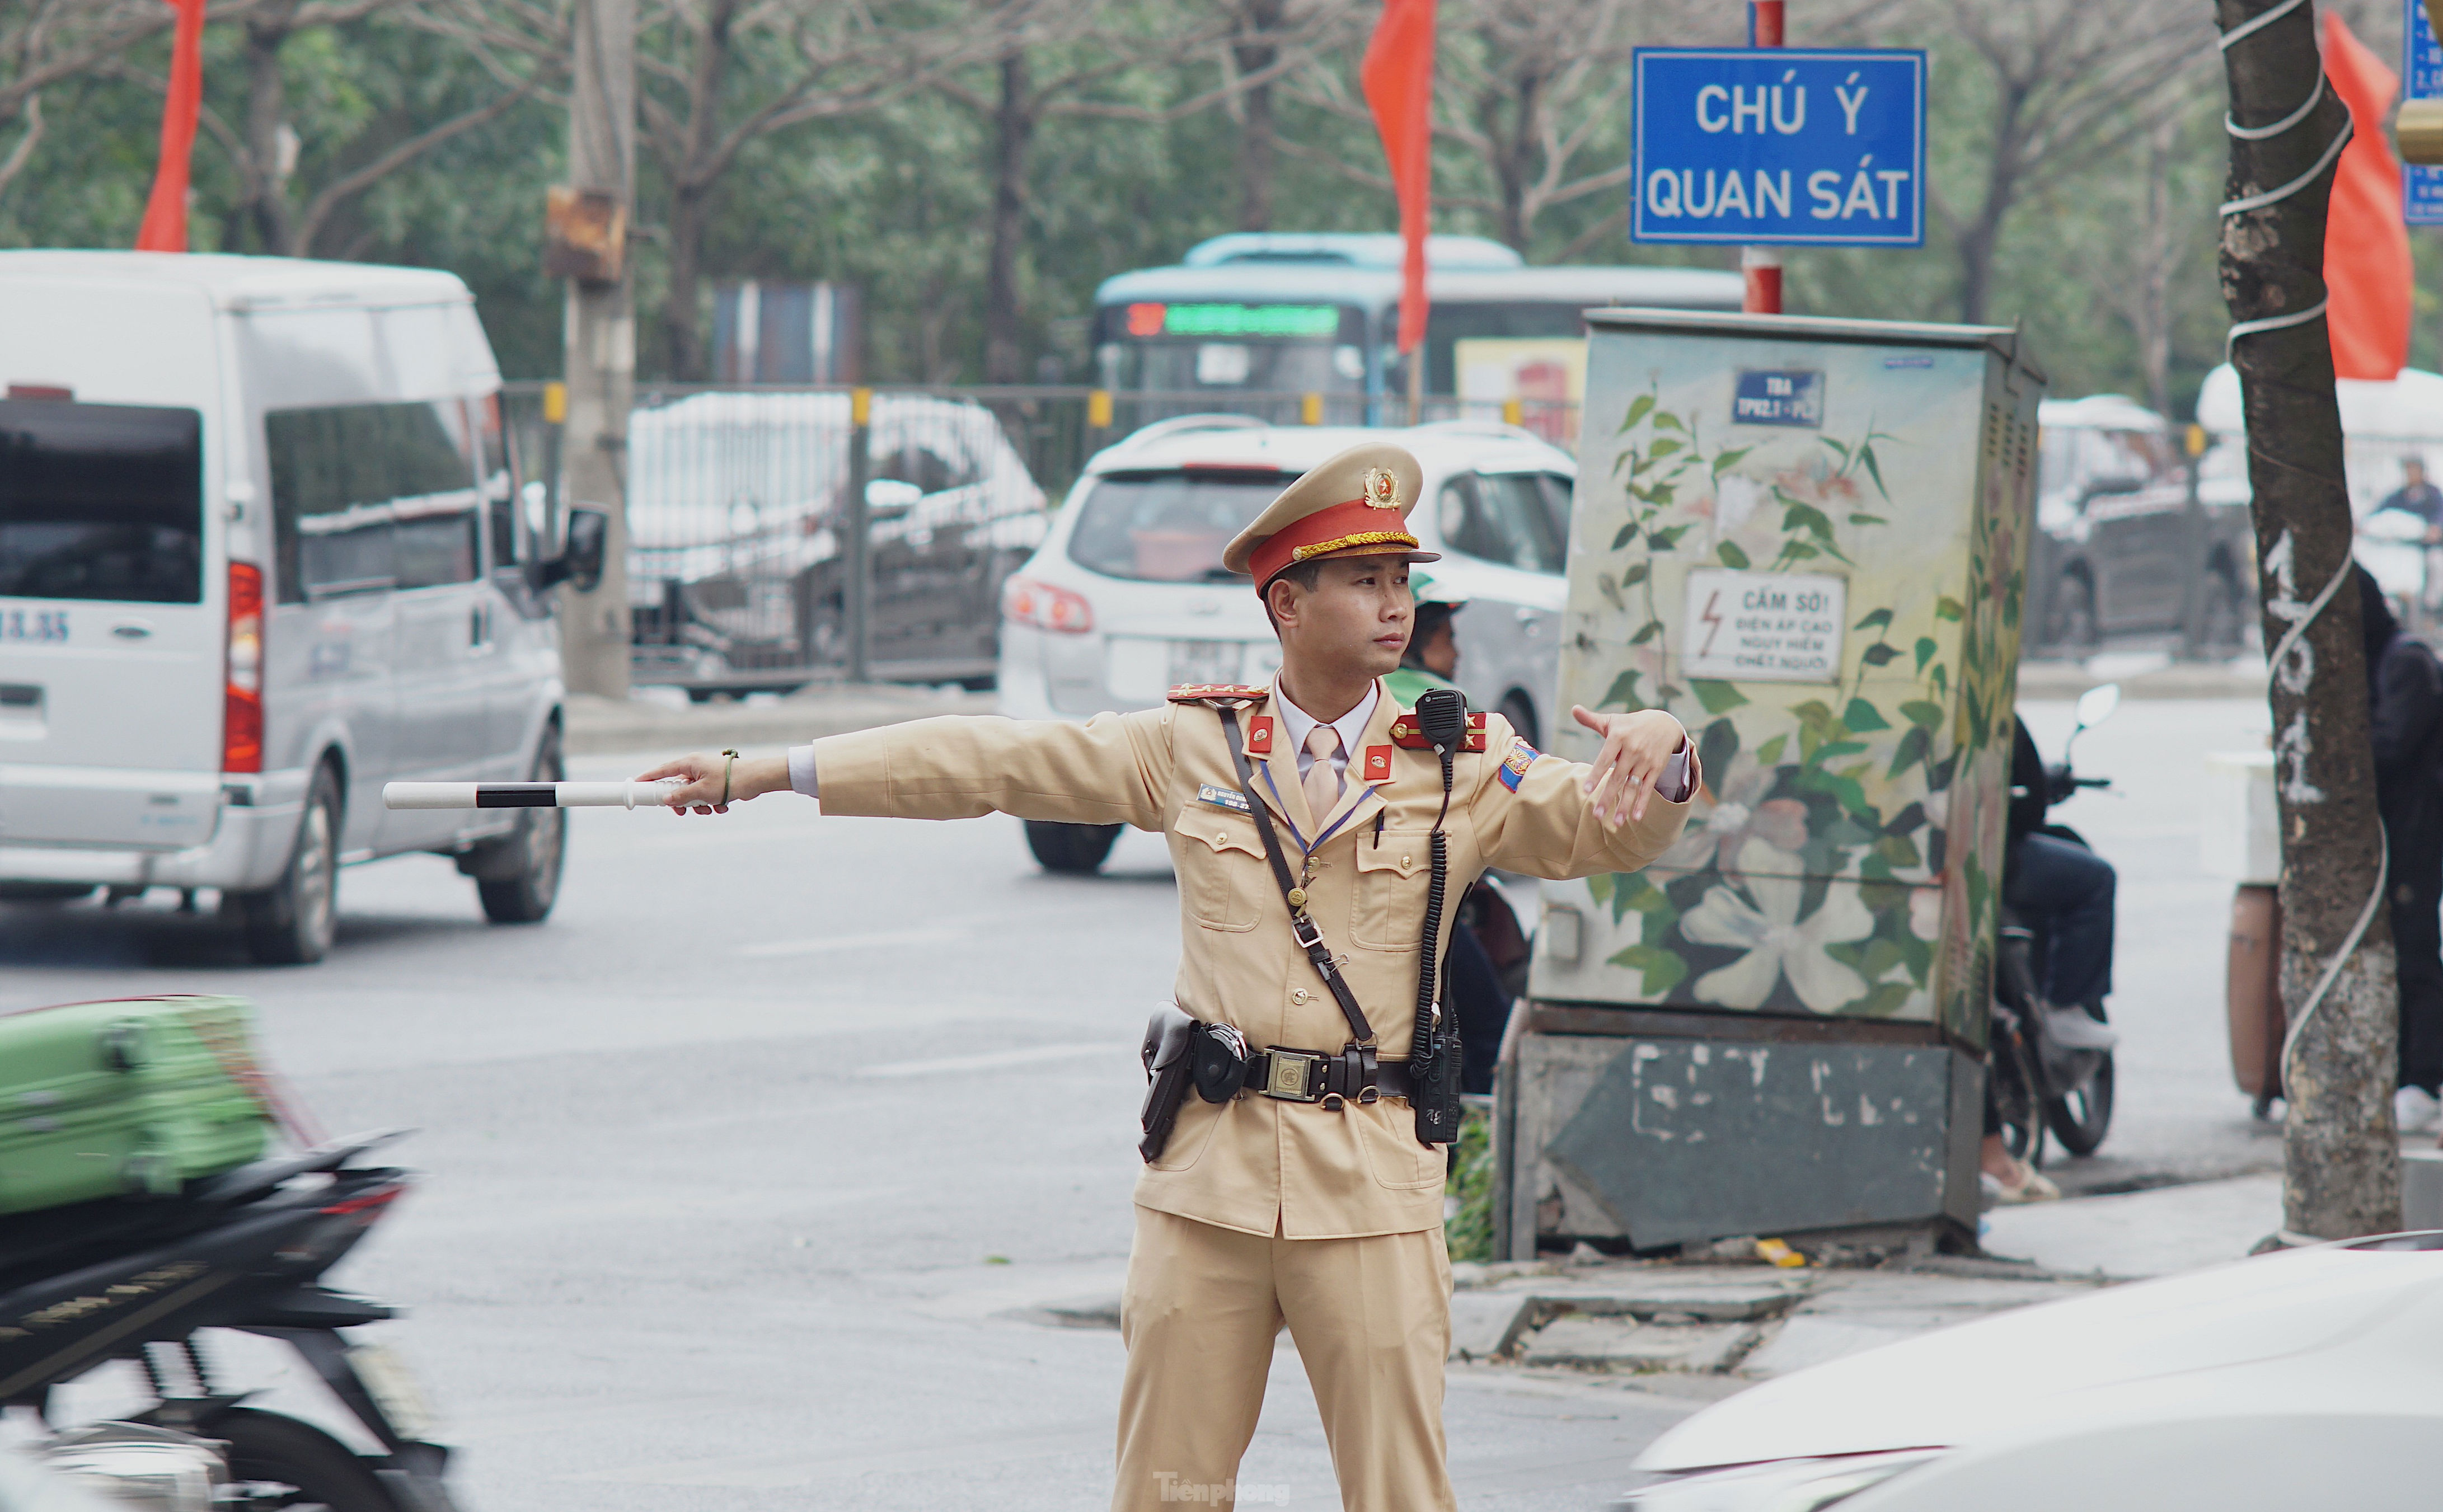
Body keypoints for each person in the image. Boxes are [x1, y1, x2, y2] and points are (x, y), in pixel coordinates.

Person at [638, 442, 1696, 1511]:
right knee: (1167, 1491)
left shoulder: (1459, 758)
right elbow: (994, 761)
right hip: (1210, 1186)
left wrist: (1666, 755)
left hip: (1373, 1191)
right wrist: (769, 769)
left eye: (1402, 581)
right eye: (1366, 581)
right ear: (1287, 601)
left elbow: (1598, 830)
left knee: (1399, 1495)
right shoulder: (1194, 747)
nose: (1397, 606)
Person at [1378, 570, 1521, 1095]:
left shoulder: (1354, 696)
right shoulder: (1442, 705)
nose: (1455, 651)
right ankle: (1468, 1146)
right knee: (1485, 1030)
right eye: (1448, 637)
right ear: (1421, 637)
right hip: (1425, 903)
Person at [1980, 714, 2120, 1203]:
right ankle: (2066, 1005)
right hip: (1997, 859)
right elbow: (2030, 796)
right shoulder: (1992, 708)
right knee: (2095, 880)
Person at [2357, 570, 2443, 1134]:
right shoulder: (2383, 661)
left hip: (2417, 831)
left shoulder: (2404, 660)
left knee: (2415, 954)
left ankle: (2423, 1075)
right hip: (2401, 830)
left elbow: (2392, 744)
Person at [2376, 458, 2443, 543]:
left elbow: (2440, 512)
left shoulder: (2433, 494)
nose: (2411, 474)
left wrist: (2435, 526)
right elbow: (2381, 509)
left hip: (2428, 542)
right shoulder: (2399, 495)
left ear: (2422, 472)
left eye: (2414, 470)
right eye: (2408, 470)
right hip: (2404, 542)